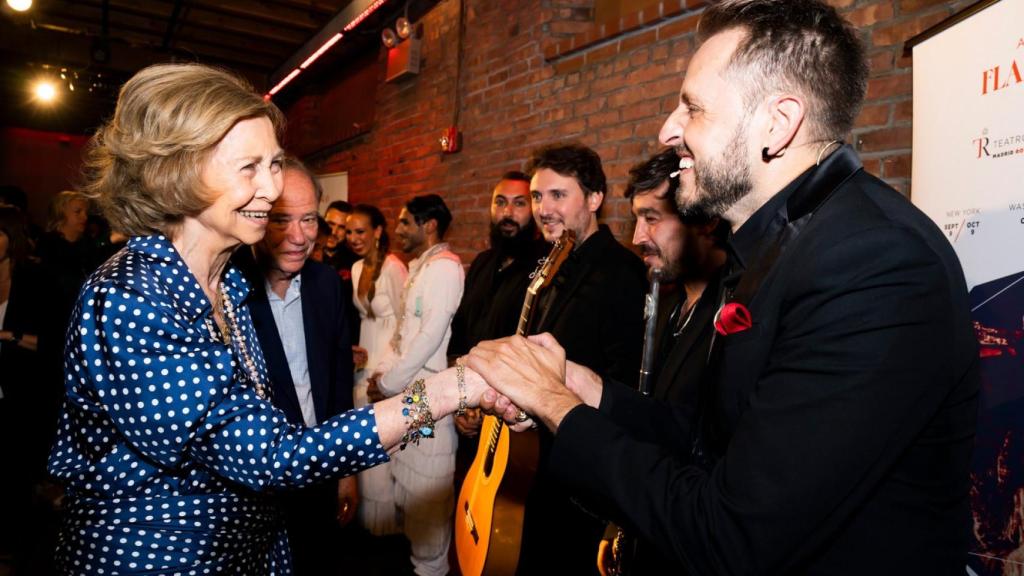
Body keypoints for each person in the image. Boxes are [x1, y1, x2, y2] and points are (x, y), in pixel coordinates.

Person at [469, 1, 979, 574]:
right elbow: (720, 442)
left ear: (777, 123)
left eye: (693, 108)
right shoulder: (778, 244)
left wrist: (556, 407)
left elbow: (732, 536)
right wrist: (585, 389)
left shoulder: (873, 264)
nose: (669, 131)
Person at [45, 62, 501, 575]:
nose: (271, 187)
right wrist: (446, 391)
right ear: (174, 173)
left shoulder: (230, 284)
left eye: (275, 163)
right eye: (249, 168)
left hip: (249, 553)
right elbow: (272, 456)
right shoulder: (133, 296)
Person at [513, 143, 647, 576]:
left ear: (594, 199)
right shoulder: (556, 262)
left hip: (584, 478)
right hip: (545, 463)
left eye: (557, 195)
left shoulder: (620, 272)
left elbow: (624, 384)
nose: (542, 208)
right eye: (537, 196)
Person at [599, 149, 729, 575]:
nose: (637, 237)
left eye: (652, 218)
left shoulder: (733, 314)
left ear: (704, 219)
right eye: (637, 219)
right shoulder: (671, 304)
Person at [241, 157, 359, 575]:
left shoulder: (327, 284)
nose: (298, 236)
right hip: (253, 490)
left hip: (320, 473)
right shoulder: (229, 294)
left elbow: (339, 381)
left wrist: (347, 470)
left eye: (309, 219)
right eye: (280, 220)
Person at [365, 194, 464, 576]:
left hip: (428, 394)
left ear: (430, 226)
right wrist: (383, 377)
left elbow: (428, 337)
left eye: (406, 222)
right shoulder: (423, 267)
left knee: (427, 491)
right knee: (407, 489)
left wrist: (388, 384)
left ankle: (431, 567)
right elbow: (404, 335)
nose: (398, 230)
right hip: (410, 390)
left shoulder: (445, 268)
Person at [447, 171, 547, 440]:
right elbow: (459, 336)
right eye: (500, 202)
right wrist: (460, 403)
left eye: (519, 203)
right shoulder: (482, 263)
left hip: (515, 420)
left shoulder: (546, 267)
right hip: (469, 405)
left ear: (535, 209)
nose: (507, 212)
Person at [345, 204, 409, 537]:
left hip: (387, 364)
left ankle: (389, 528)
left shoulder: (396, 268)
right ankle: (367, 520)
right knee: (364, 441)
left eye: (360, 231)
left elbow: (405, 324)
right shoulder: (355, 269)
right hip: (363, 361)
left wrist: (389, 372)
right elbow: (362, 318)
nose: (353, 238)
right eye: (349, 231)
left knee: (385, 441)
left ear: (378, 232)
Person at [0, 204, 48, 572]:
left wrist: (6, 336)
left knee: (16, 486)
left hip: (20, 400)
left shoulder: (33, 279)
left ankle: (17, 553)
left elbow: (52, 342)